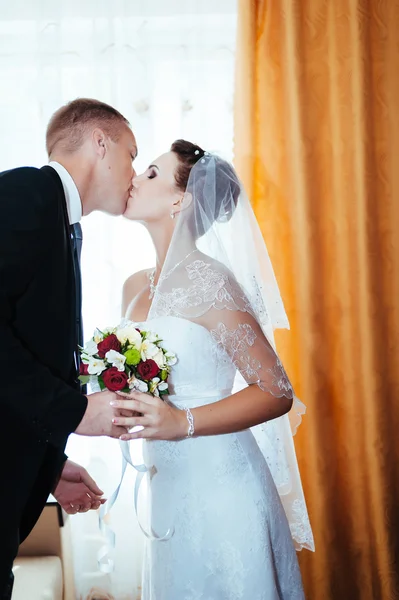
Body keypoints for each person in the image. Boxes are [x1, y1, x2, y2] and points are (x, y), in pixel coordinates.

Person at [115, 140, 314, 599]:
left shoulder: (212, 281)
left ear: (179, 199)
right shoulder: (131, 286)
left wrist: (180, 422)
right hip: (166, 488)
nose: (134, 179)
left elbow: (275, 390)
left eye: (150, 173)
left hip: (222, 486)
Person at [0, 98, 138, 599]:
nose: (133, 173)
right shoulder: (26, 193)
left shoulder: (61, 220)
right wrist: (76, 411)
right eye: (130, 153)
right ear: (100, 144)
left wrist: (49, 462)